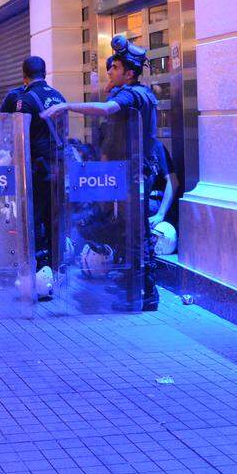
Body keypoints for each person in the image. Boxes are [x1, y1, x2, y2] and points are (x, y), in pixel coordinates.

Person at [41, 35, 161, 311]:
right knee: (128, 230)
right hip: (126, 172)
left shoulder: (132, 93)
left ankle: (143, 293)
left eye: (115, 68)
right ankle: (137, 289)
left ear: (129, 73)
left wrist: (66, 106)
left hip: (134, 174)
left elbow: (107, 109)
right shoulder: (132, 92)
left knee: (136, 233)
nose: (109, 72)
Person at [0, 56, 67, 292]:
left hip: (37, 169)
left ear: (24, 75)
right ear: (45, 72)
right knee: (54, 218)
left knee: (35, 218)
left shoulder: (25, 99)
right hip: (58, 167)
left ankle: (39, 272)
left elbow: (20, 136)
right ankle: (57, 269)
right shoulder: (59, 96)